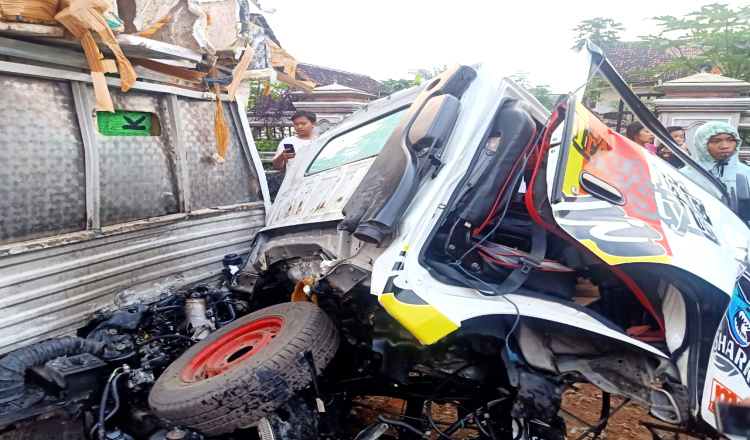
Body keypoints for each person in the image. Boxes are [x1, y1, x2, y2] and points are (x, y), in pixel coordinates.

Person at [682, 121, 750, 193]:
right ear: (701, 144)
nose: (725, 146)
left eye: (731, 140)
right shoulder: (684, 176)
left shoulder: (747, 172)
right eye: (716, 141)